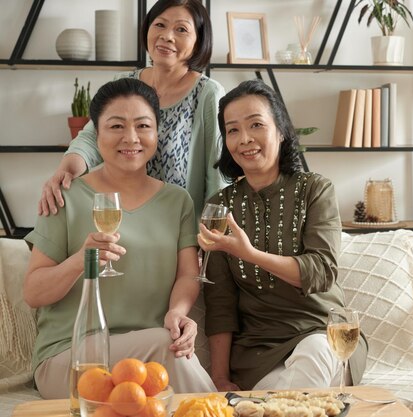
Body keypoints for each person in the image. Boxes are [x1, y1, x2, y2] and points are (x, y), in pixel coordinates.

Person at [23, 78, 216, 398]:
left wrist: (178, 313)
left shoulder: (178, 201)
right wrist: (80, 261)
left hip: (148, 359)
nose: (131, 138)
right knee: (165, 346)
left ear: (156, 133)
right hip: (71, 358)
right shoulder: (64, 197)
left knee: (164, 348)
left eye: (143, 125)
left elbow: (187, 274)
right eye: (116, 126)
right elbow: (33, 292)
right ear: (95, 134)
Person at [198, 79, 368, 391]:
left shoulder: (315, 190)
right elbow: (220, 301)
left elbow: (322, 272)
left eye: (256, 125)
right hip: (258, 355)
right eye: (233, 130)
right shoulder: (220, 207)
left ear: (281, 131)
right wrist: (220, 378)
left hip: (324, 335)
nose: (245, 139)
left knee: (312, 360)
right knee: (285, 399)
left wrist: (249, 254)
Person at [39, 0, 225, 221]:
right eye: (160, 25)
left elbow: (217, 176)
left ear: (199, 41)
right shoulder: (125, 82)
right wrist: (66, 171)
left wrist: (211, 237)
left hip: (179, 232)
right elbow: (91, 136)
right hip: (119, 220)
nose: (167, 36)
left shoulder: (208, 94)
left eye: (181, 29)